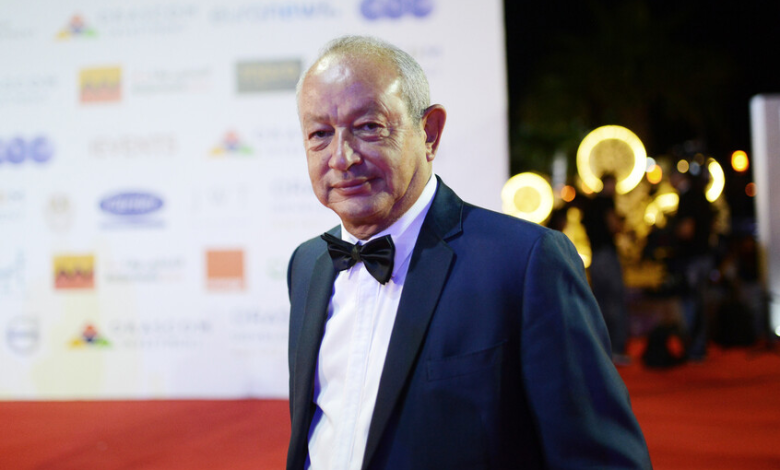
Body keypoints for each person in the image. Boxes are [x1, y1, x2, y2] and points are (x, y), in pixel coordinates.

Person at [286, 35, 651, 470]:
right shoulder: (307, 265)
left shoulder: (526, 263)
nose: (341, 157)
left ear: (429, 133)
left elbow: (601, 459)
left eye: (368, 127)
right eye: (320, 134)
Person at [582, 173, 631, 365]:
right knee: (615, 302)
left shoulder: (590, 203)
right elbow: (614, 227)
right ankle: (616, 348)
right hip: (607, 256)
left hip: (595, 256)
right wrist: (622, 225)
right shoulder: (606, 203)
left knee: (600, 303)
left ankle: (601, 348)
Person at [669, 165, 715, 361]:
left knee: (692, 304)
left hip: (693, 258)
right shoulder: (701, 196)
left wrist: (671, 233)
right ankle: (698, 346)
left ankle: (695, 348)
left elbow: (687, 230)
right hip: (703, 255)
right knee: (699, 302)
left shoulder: (688, 197)